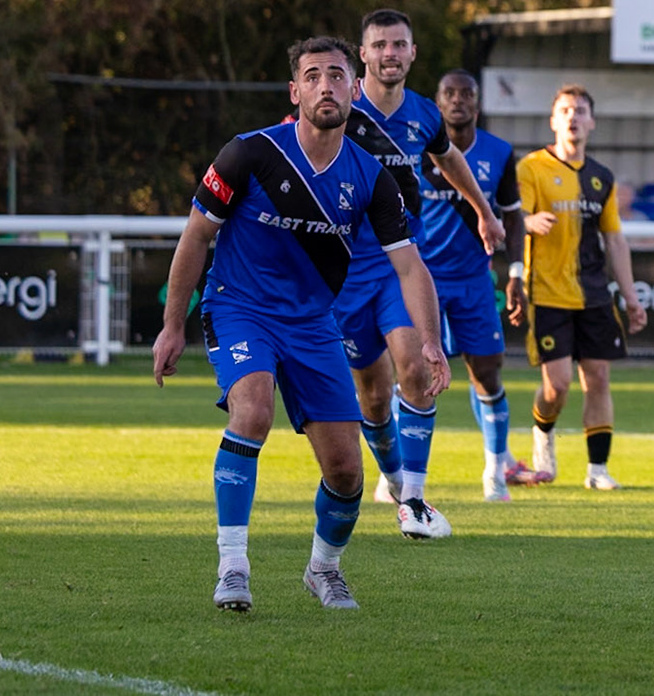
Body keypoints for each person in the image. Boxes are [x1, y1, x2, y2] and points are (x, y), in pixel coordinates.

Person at [152, 36, 451, 612]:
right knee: (254, 409)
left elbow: (409, 266)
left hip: (315, 324)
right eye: (312, 76)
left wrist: (431, 341)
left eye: (337, 76)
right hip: (240, 308)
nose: (325, 86)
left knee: (346, 473)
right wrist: (172, 325)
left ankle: (323, 569)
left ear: (354, 89)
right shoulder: (248, 153)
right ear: (296, 91)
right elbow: (196, 235)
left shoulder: (371, 178)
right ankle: (233, 566)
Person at [336, 9, 506, 539]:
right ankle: (393, 476)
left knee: (415, 370)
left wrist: (483, 210)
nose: (390, 53)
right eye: (380, 45)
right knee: (372, 396)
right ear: (362, 54)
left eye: (400, 45)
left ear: (413, 54)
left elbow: (449, 157)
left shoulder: (424, 114)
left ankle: (413, 500)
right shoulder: (338, 106)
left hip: (397, 264)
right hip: (340, 270)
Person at [509, 84, 649, 488]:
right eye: (566, 110)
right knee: (557, 387)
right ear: (554, 121)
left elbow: (615, 241)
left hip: (593, 293)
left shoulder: (601, 177)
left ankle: (597, 470)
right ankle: (542, 438)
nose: (573, 117)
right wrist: (529, 222)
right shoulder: (532, 168)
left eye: (581, 110)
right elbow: (514, 217)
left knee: (599, 378)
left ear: (592, 122)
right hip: (547, 292)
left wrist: (632, 296)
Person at [412, 68, 538, 500]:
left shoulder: (500, 152)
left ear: (478, 104)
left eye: (467, 94)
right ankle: (399, 476)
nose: (458, 100)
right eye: (449, 93)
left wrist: (517, 274)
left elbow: (513, 216)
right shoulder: (414, 150)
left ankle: (494, 471)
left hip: (474, 281)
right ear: (437, 102)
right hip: (421, 279)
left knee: (487, 372)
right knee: (413, 375)